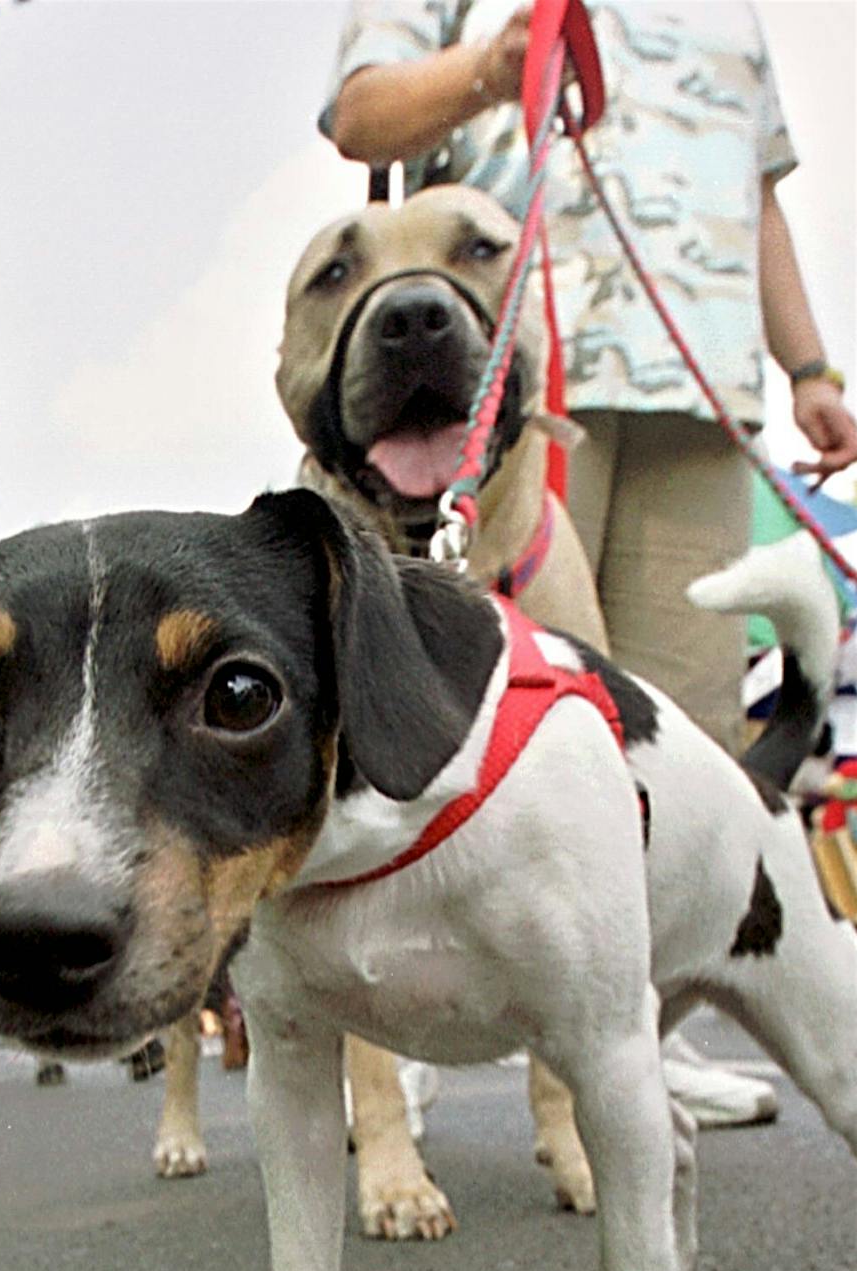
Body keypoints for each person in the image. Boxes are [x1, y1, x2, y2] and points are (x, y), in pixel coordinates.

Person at [321, 1, 857, 1125]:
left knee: (674, 754)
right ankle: (409, 1026)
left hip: (697, 376)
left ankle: (620, 1044)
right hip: (517, 362)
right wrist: (491, 65)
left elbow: (752, 194)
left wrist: (806, 362)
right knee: (496, 730)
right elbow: (359, 115)